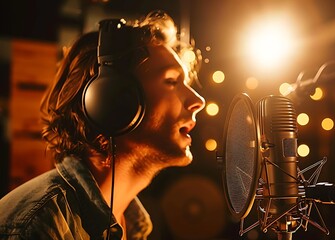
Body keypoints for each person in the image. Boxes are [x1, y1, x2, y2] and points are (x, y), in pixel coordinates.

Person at [0, 10, 205, 240]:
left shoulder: (135, 226)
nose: (198, 101)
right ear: (112, 102)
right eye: (171, 81)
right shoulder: (37, 227)